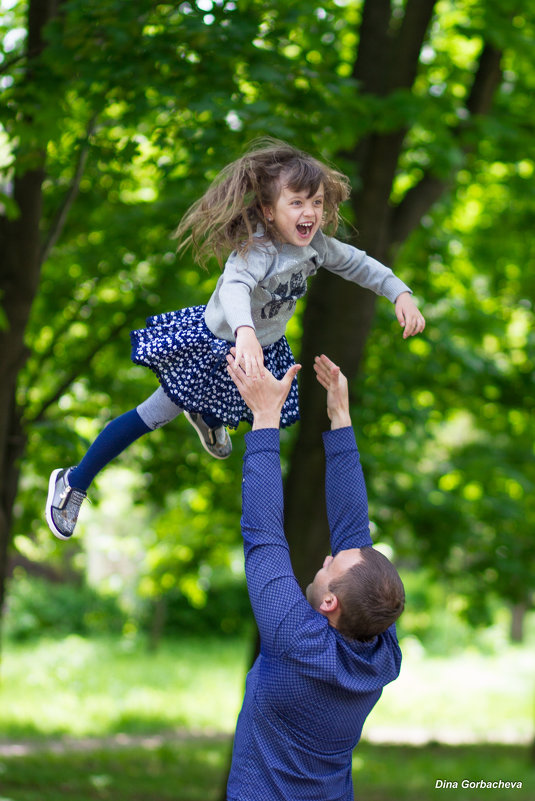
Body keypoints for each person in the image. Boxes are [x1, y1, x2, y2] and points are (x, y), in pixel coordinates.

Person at [45, 138, 425, 540]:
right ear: (268, 210)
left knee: (262, 413)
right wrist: (244, 332)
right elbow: (234, 288)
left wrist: (400, 292)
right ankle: (74, 480)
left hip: (260, 349)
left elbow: (359, 264)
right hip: (218, 346)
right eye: (296, 202)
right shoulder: (256, 249)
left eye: (315, 202)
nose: (309, 212)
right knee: (154, 414)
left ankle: (208, 417)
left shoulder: (316, 246)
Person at [225, 351, 404, 801]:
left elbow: (263, 535)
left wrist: (266, 418)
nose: (325, 559)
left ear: (330, 604)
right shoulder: (380, 652)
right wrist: (339, 419)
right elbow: (353, 536)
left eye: (330, 567)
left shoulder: (294, 641)